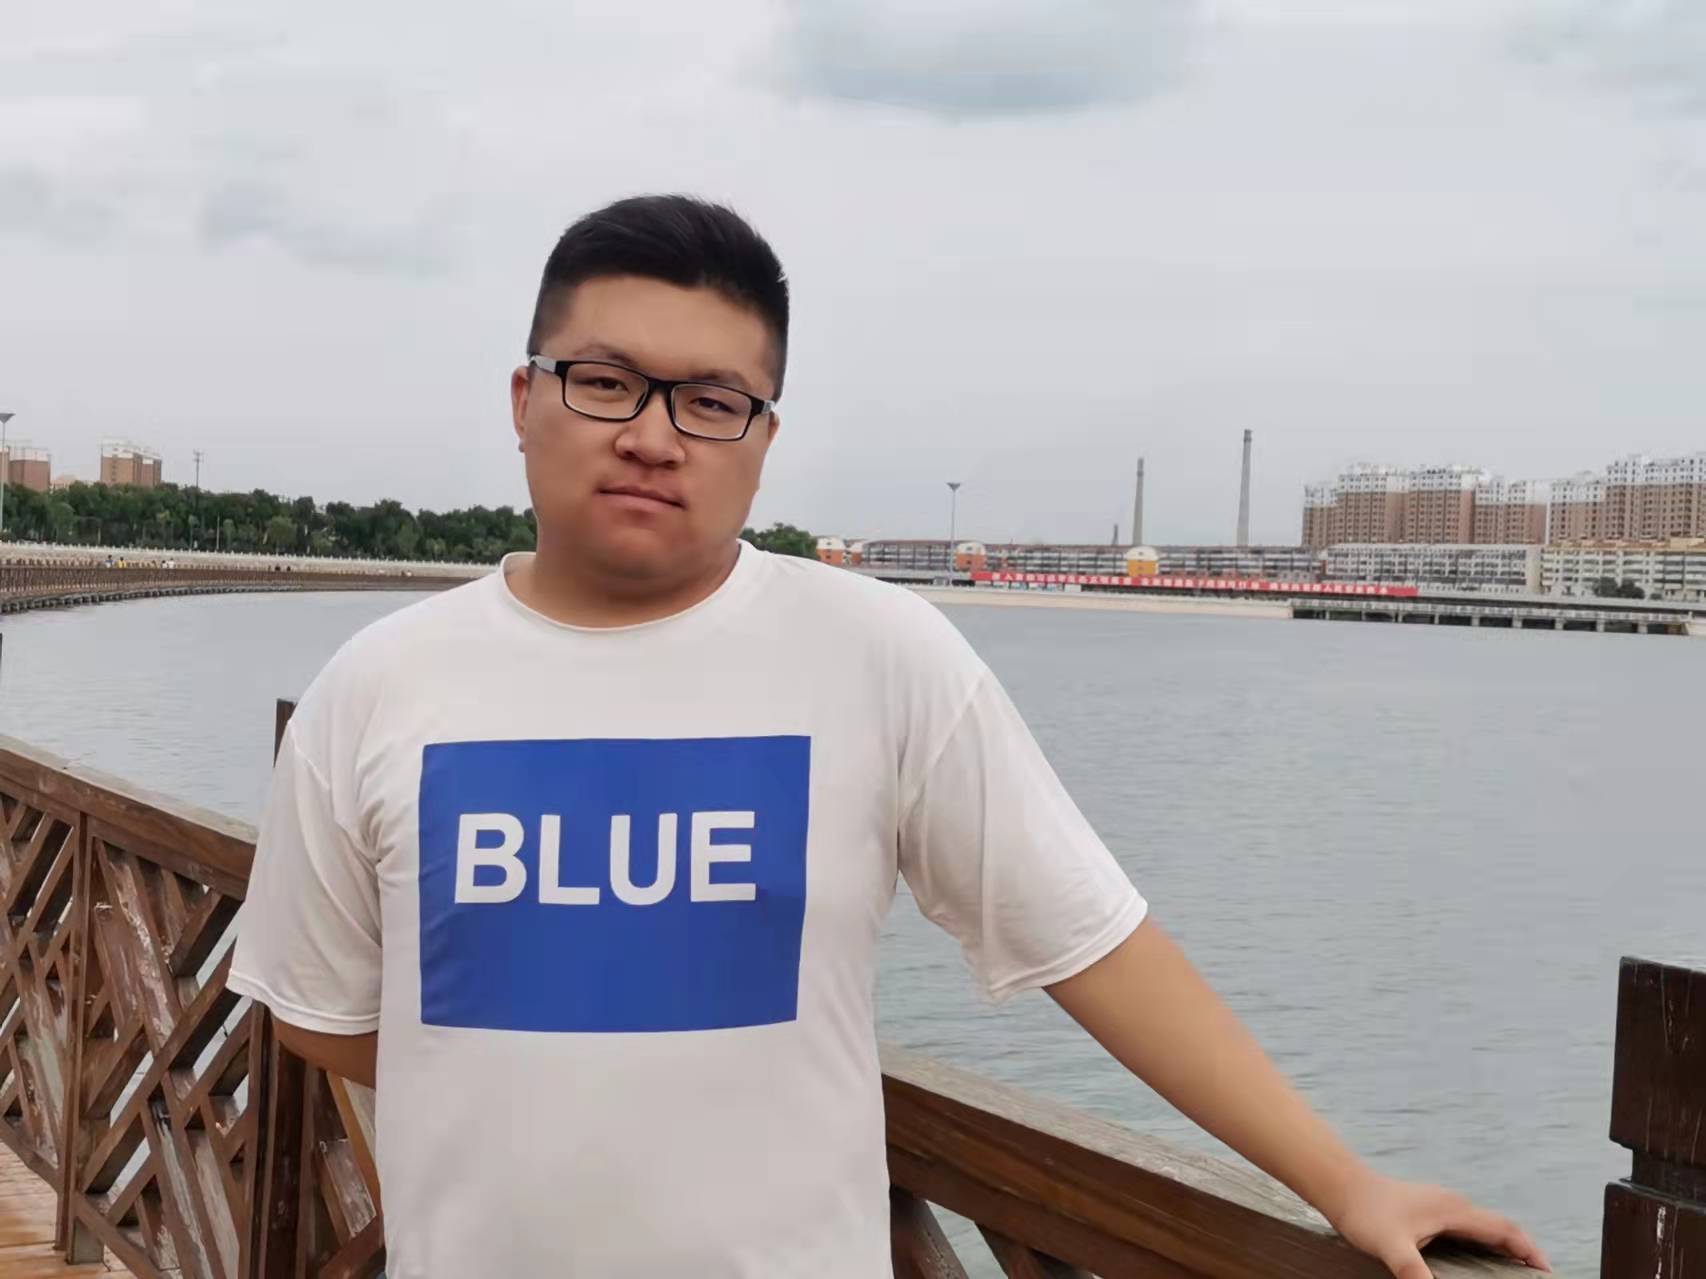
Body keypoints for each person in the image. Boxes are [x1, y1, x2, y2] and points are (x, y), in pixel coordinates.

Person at [228, 194, 1550, 1279]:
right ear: (524, 399)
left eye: (711, 401)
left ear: (762, 440)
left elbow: (1090, 942)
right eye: (606, 383)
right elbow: (330, 1020)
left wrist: (1341, 1182)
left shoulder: (879, 655)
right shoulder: (378, 689)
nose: (653, 437)